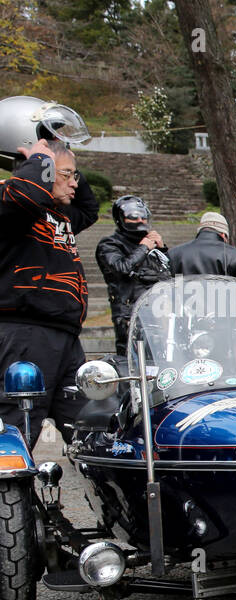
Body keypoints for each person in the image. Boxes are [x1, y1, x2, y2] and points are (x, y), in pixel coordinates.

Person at [0, 138, 98, 443]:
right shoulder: (13, 202)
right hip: (25, 332)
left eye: (76, 176)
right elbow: (26, 194)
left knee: (89, 427)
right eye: (65, 174)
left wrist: (66, 161)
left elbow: (89, 208)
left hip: (65, 337)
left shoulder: (63, 215)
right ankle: (13, 493)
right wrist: (42, 159)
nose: (73, 183)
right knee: (18, 428)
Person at [95, 195, 170, 354]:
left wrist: (161, 250)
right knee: (133, 363)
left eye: (143, 217)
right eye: (133, 217)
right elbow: (122, 268)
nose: (140, 221)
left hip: (160, 313)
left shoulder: (150, 244)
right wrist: (143, 248)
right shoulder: (110, 244)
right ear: (121, 219)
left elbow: (169, 276)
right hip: (130, 315)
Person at [169, 212, 236, 280]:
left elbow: (164, 285)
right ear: (223, 235)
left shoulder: (174, 253)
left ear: (200, 231)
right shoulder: (234, 255)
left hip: (185, 300)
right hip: (222, 300)